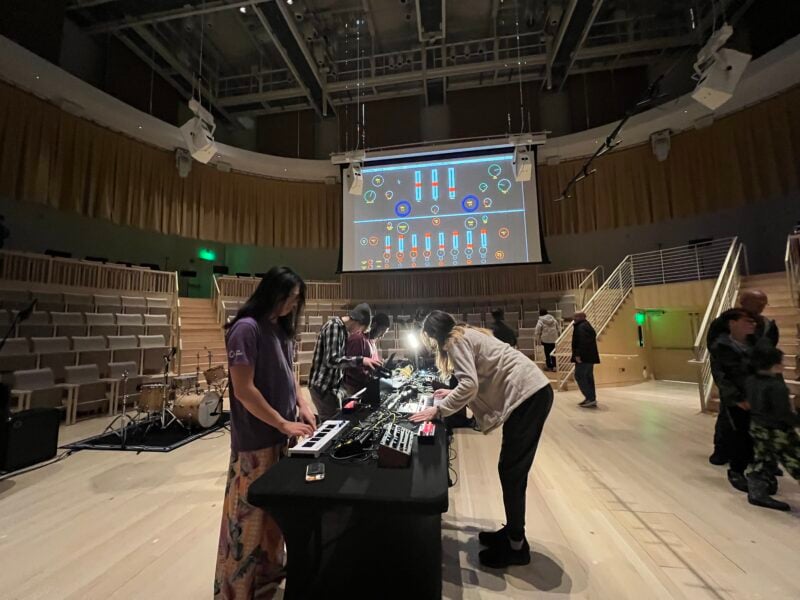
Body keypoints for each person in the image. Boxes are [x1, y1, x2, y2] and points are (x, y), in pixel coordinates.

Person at [409, 311, 552, 569]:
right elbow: (474, 378)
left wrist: (438, 409)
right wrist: (451, 392)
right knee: (511, 470)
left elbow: (470, 385)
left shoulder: (454, 341)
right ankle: (511, 533)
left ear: (432, 334)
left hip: (529, 395)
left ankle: (517, 546)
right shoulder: (465, 333)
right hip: (532, 393)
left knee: (511, 472)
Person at [215, 266, 317, 600]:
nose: (293, 304)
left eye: (297, 299)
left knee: (276, 519)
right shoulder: (246, 329)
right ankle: (236, 591)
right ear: (272, 293)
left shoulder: (280, 329)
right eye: (289, 297)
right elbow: (244, 391)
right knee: (247, 523)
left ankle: (268, 581)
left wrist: (301, 402)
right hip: (256, 441)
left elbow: (291, 374)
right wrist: (282, 422)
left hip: (280, 437)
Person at [708, 290, 779, 465]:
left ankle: (755, 455)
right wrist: (729, 389)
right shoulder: (723, 324)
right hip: (734, 382)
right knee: (728, 418)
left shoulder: (767, 326)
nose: (762, 306)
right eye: (758, 302)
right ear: (743, 302)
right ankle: (722, 451)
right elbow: (718, 357)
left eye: (764, 302)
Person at [745, 340, 800, 511]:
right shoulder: (776, 386)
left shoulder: (751, 380)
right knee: (796, 460)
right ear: (774, 365)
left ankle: (757, 492)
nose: (783, 365)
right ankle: (758, 492)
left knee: (763, 458)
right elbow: (783, 413)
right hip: (778, 431)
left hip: (758, 425)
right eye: (780, 362)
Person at [708, 308, 758, 493]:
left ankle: (758, 472)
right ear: (732, 323)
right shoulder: (721, 347)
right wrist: (736, 398)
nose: (752, 324)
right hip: (738, 400)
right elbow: (721, 376)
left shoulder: (755, 344)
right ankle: (736, 470)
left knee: (756, 436)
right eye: (747, 321)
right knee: (740, 435)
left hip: (757, 396)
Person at [309, 303, 382, 421]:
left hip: (332, 387)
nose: (358, 332)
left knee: (336, 421)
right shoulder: (334, 326)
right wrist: (361, 360)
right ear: (357, 321)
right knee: (331, 426)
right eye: (361, 329)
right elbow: (331, 360)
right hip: (323, 386)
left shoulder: (342, 330)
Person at [343, 312, 391, 395]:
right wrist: (371, 377)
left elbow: (370, 364)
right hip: (353, 389)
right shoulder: (357, 339)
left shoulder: (371, 342)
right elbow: (351, 368)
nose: (382, 335)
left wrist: (379, 365)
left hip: (364, 386)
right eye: (382, 330)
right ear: (374, 325)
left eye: (385, 332)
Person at [571, 312, 600, 408]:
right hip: (589, 357)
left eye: (576, 316)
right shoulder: (586, 326)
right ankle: (590, 398)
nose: (573, 317)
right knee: (588, 377)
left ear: (582, 317)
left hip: (584, 357)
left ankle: (590, 397)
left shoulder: (581, 327)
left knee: (579, 376)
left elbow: (582, 342)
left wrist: (578, 355)